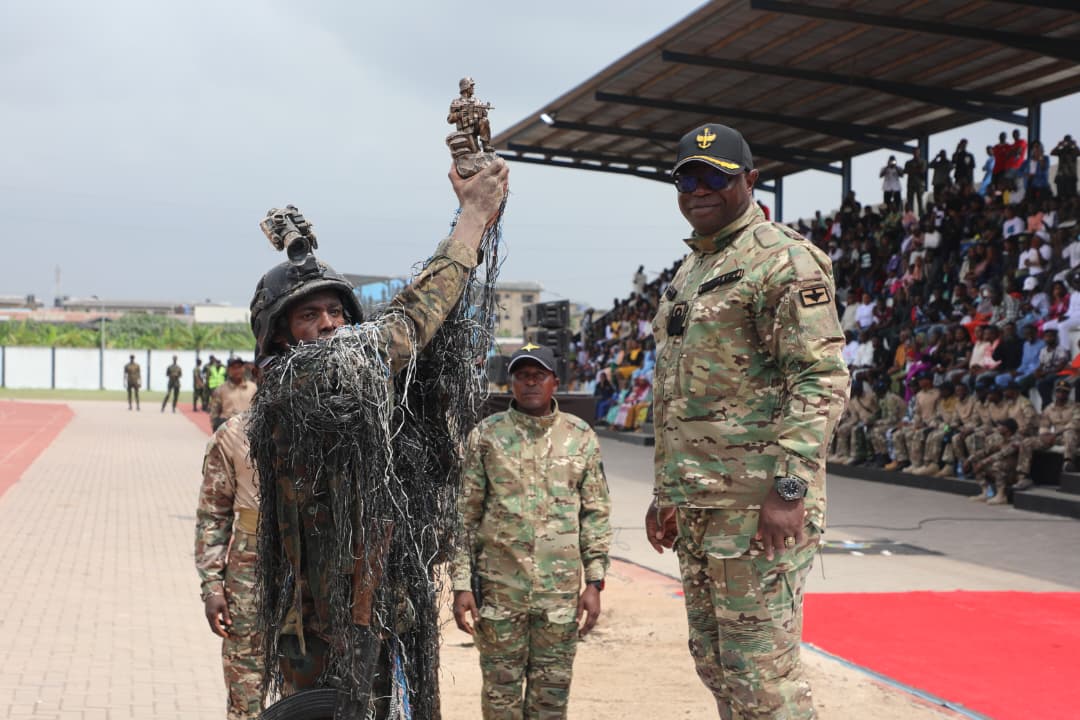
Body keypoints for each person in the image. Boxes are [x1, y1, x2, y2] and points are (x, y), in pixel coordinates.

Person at [249, 159, 508, 717]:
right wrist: (469, 222)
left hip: (373, 604)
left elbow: (418, 344)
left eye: (337, 311)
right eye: (308, 315)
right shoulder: (303, 381)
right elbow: (408, 326)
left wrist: (477, 230)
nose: (329, 324)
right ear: (279, 335)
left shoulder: (345, 381)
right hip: (322, 625)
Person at [644, 123, 849, 720]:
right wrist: (666, 494)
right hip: (701, 507)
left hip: (759, 511)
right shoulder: (690, 272)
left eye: (714, 175)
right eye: (686, 176)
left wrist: (788, 490)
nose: (697, 188)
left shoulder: (784, 259)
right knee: (716, 664)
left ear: (750, 181)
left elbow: (820, 378)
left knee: (762, 677)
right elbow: (675, 398)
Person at [451, 344, 611, 719]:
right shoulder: (486, 436)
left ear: (556, 381)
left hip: (558, 599)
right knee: (500, 698)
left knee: (550, 701)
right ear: (511, 384)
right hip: (499, 595)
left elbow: (596, 515)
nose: (530, 383)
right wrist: (461, 585)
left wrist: (595, 582)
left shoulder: (580, 437)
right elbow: (464, 517)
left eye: (539, 375)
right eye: (522, 376)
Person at [194, 412, 263, 720]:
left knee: (308, 685)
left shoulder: (329, 422)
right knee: (245, 678)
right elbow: (213, 513)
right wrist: (211, 586)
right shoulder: (236, 432)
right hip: (250, 562)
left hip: (314, 568)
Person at [1015, 379, 1079, 489]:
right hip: (1056, 437)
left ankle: (1068, 463)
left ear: (1068, 393)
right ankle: (1023, 477)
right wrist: (1045, 435)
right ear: (1055, 392)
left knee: (1069, 433)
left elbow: (1076, 423)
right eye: (1059, 391)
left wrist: (1055, 434)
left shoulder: (1076, 406)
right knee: (1027, 442)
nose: (1061, 394)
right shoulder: (1049, 408)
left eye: (1064, 392)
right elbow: (1043, 426)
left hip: (1074, 437)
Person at [209, 357, 257, 432]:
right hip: (229, 433)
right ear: (228, 370)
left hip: (249, 431)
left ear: (244, 368)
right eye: (234, 368)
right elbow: (214, 413)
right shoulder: (220, 390)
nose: (237, 370)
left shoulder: (253, 388)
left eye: (239, 367)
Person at [1051, 135, 1078, 199]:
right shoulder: (1061, 151)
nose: (1067, 143)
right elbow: (1052, 153)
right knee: (1061, 197)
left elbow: (1078, 152)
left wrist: (1074, 145)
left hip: (1071, 176)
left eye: (1068, 141)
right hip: (1061, 177)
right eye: (1066, 141)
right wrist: (1059, 145)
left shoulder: (1073, 151)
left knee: (1071, 197)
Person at [903, 148, 927, 215]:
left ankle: (921, 215)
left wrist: (912, 170)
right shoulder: (908, 162)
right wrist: (916, 169)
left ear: (919, 153)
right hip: (910, 183)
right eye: (915, 152)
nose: (916, 153)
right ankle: (911, 215)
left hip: (919, 183)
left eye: (917, 152)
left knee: (920, 200)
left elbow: (922, 170)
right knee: (910, 200)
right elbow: (905, 171)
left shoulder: (923, 161)